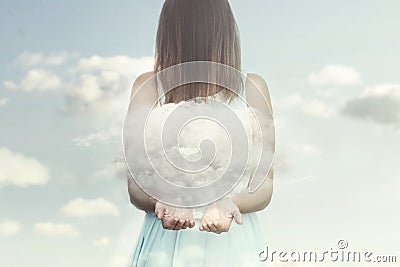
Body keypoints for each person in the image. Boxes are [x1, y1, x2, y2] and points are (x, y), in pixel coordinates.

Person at [126, 0, 274, 266]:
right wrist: (165, 200)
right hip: (167, 244)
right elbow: (135, 184)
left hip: (231, 243)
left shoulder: (252, 88)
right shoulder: (147, 88)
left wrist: (229, 204)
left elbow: (265, 184)